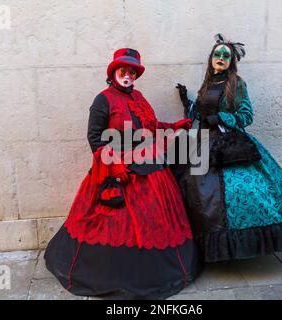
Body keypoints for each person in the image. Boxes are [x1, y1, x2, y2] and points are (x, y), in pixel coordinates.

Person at [44, 48, 201, 300]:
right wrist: (112, 164)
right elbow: (95, 138)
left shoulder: (138, 96)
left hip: (148, 165)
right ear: (113, 73)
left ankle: (157, 272)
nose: (127, 75)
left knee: (154, 219)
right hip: (116, 168)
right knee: (114, 222)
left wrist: (174, 126)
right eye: (123, 70)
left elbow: (151, 126)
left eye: (131, 71)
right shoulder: (103, 99)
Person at [175, 34, 282, 263]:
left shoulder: (236, 83)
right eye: (218, 54)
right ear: (211, 58)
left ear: (231, 61)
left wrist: (223, 117)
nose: (221, 58)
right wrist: (188, 103)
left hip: (228, 144)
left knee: (235, 194)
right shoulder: (208, 83)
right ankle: (204, 248)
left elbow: (246, 116)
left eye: (226, 55)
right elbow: (199, 115)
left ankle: (233, 247)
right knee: (197, 190)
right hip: (204, 142)